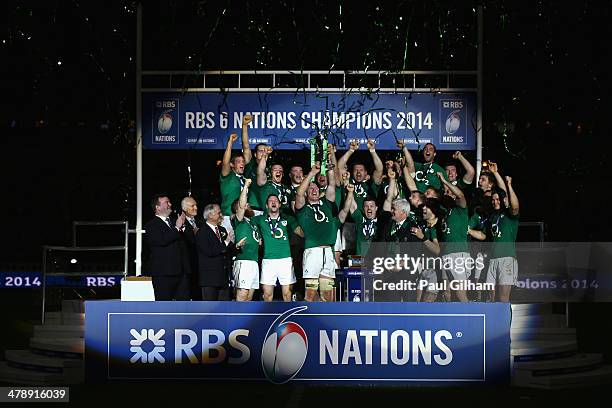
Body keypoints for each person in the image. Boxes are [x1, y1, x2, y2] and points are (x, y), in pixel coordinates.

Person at [295, 162, 338, 302]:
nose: (314, 190)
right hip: (313, 252)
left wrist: (330, 171)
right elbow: (299, 193)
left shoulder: (326, 203)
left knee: (328, 295)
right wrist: (312, 174)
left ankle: (326, 323)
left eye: (316, 188)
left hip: (328, 253)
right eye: (310, 188)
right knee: (311, 294)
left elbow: (331, 186)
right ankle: (309, 322)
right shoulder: (303, 208)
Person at [252, 194, 303, 301]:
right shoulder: (260, 219)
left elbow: (300, 232)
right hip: (268, 260)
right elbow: (245, 220)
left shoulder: (288, 219)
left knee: (287, 294)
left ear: (280, 205)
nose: (273, 202)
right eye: (270, 201)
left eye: (276, 200)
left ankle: (287, 317)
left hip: (285, 260)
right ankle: (268, 317)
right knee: (267, 295)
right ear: (266, 206)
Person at [337, 139, 384, 253]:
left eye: (361, 170)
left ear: (366, 173)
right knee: (348, 256)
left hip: (367, 223)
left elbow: (379, 169)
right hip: (350, 222)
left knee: (367, 252)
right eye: (356, 170)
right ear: (352, 172)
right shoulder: (348, 182)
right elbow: (339, 167)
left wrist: (372, 150)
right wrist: (351, 150)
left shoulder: (370, 184)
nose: (358, 173)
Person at [144, 194, 190, 301]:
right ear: (157, 207)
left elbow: (187, 241)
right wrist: (177, 228)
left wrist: (183, 228)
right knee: (164, 305)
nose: (170, 204)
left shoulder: (175, 221)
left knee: (183, 306)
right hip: (163, 273)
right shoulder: (151, 225)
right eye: (167, 202)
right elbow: (161, 241)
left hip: (181, 272)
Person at [340, 169, 397, 255]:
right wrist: (347, 182)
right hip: (360, 260)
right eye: (366, 206)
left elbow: (389, 199)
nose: (369, 208)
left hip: (377, 260)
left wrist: (392, 180)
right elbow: (351, 202)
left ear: (376, 208)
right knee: (352, 266)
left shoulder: (381, 220)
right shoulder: (359, 218)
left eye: (371, 206)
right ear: (363, 208)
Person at [437, 172, 470, 302]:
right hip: (446, 254)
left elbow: (460, 195)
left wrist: (445, 182)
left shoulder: (460, 208)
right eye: (445, 191)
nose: (446, 193)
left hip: (458, 254)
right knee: (446, 292)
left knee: (460, 293)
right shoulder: (446, 212)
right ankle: (449, 320)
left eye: (449, 191)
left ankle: (470, 320)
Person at [486, 176, 520, 302]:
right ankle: (491, 322)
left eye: (497, 199)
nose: (495, 202)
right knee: (492, 297)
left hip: (507, 258)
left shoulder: (509, 214)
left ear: (504, 200)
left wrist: (509, 185)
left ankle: (503, 322)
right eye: (493, 199)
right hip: (493, 259)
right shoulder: (493, 216)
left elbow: (515, 206)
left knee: (503, 297)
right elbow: (501, 193)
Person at [196, 203, 234, 301]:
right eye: (218, 212)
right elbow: (210, 252)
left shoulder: (222, 230)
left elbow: (227, 250)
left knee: (223, 308)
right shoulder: (202, 232)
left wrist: (236, 247)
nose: (221, 215)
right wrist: (226, 242)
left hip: (223, 277)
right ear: (210, 215)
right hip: (209, 279)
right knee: (209, 309)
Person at [231, 179, 260, 301]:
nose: (248, 205)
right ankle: (236, 320)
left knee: (249, 297)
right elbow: (242, 205)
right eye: (246, 204)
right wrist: (246, 186)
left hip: (254, 262)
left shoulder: (252, 222)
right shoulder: (239, 220)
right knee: (242, 296)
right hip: (244, 262)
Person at [219, 132, 248, 240]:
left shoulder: (245, 180)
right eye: (239, 161)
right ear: (232, 165)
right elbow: (225, 162)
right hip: (227, 217)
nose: (242, 164)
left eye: (243, 162)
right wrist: (230, 142)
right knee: (228, 246)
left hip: (242, 217)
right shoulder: (228, 176)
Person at [181, 196, 203, 300]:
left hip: (200, 265)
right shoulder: (180, 222)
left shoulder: (201, 223)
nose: (196, 208)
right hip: (187, 264)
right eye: (192, 206)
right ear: (185, 208)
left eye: (196, 205)